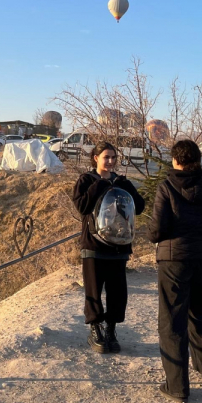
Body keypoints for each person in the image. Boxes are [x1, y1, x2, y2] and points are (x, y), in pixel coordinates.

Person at [148, 139, 202, 403]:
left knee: (172, 322)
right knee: (198, 312)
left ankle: (177, 387)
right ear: (198, 159)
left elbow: (156, 232)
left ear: (175, 160)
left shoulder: (167, 186)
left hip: (175, 260)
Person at [73, 141, 145, 354]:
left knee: (117, 291)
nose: (111, 161)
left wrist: (126, 186)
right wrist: (100, 185)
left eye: (114, 157)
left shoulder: (120, 181)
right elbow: (82, 206)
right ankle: (96, 329)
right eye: (107, 157)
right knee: (94, 290)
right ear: (96, 158)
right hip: (93, 246)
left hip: (118, 247)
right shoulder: (86, 180)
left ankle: (111, 329)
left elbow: (139, 207)